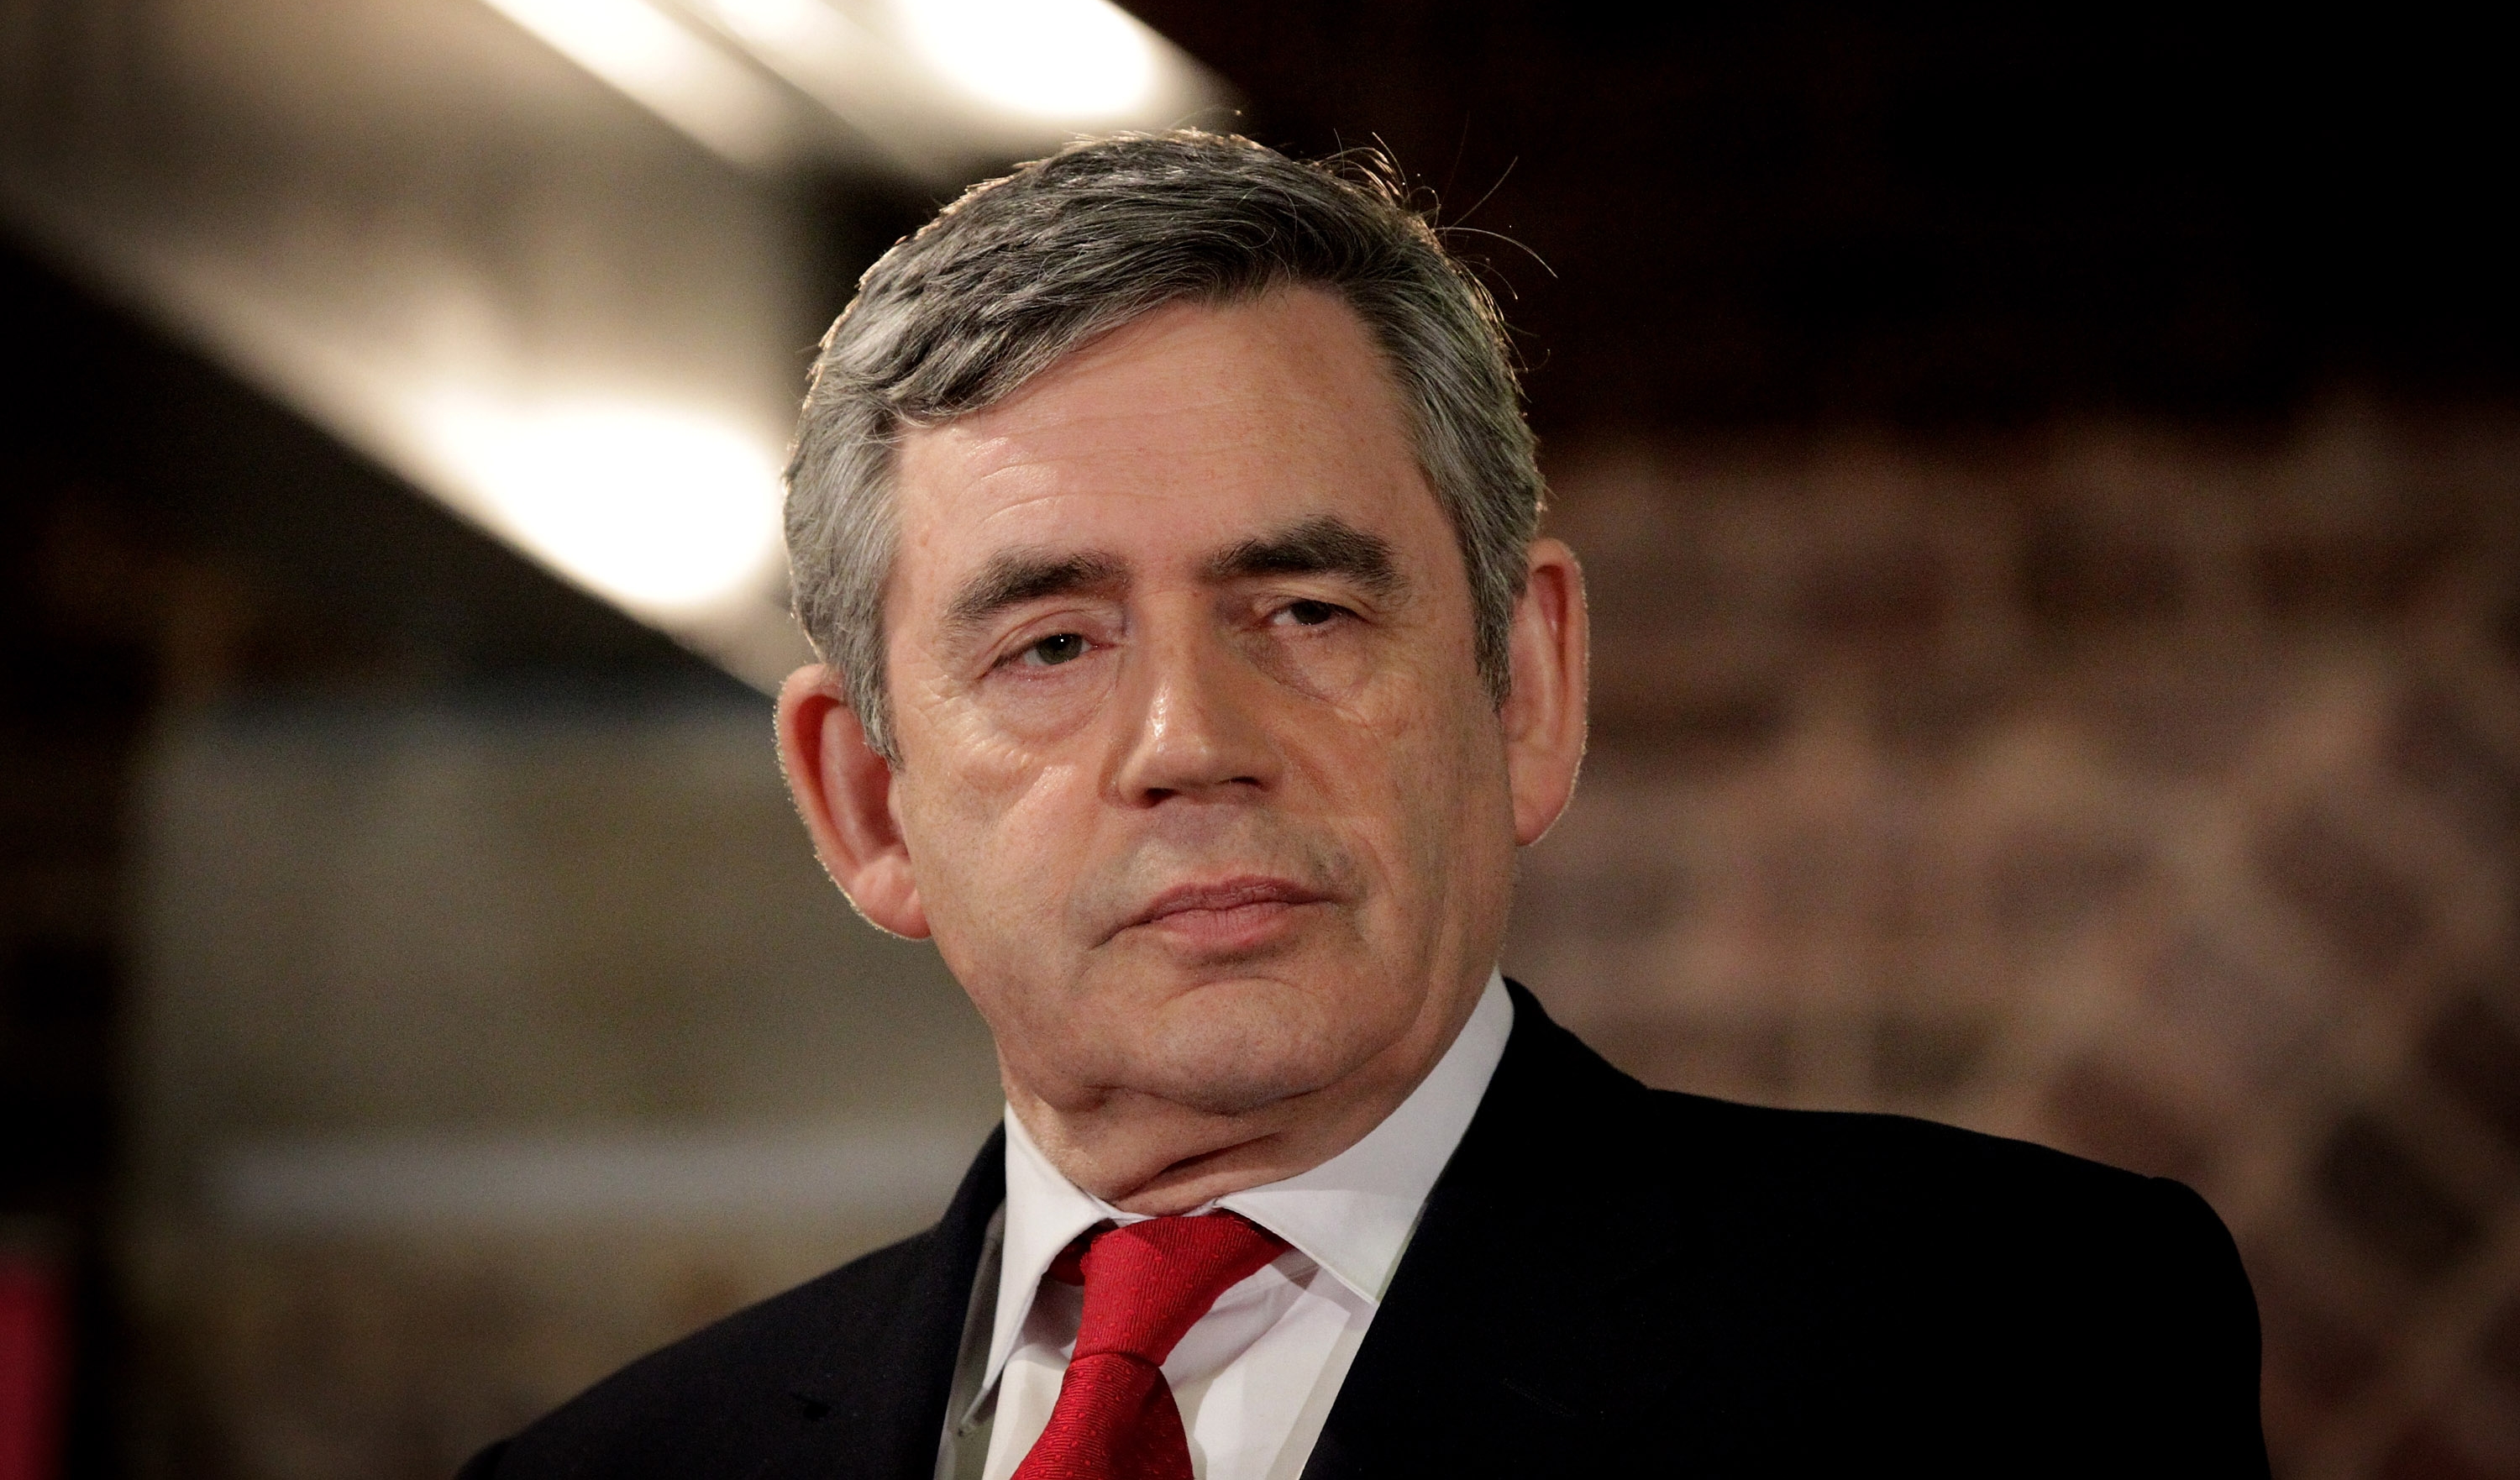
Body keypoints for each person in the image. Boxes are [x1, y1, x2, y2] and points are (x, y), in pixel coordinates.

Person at [459, 132, 2267, 1477]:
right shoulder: (607, 1473)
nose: (1190, 737)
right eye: (1053, 644)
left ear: (1524, 685)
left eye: (1305, 612)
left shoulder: (1997, 1347)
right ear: (866, 799)